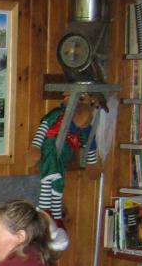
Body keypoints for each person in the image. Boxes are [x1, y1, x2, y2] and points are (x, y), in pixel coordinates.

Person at [28, 93, 99, 229]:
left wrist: (92, 163)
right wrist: (35, 146)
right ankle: (48, 213)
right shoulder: (57, 114)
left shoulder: (85, 127)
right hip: (50, 145)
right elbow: (43, 128)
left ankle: (51, 216)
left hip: (66, 150)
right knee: (52, 172)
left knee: (56, 173)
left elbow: (89, 144)